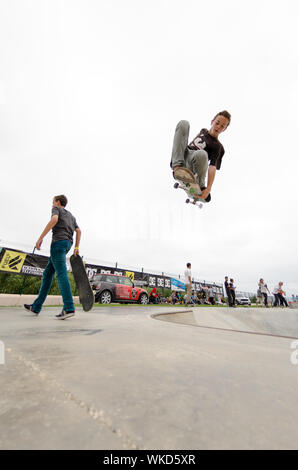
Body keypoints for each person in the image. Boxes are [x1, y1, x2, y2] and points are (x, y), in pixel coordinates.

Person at [24, 195, 81, 320]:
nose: (52, 204)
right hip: (67, 245)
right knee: (47, 274)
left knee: (61, 273)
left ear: (58, 202)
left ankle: (69, 307)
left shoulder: (56, 209)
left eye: (53, 202)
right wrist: (76, 248)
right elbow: (79, 231)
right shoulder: (71, 216)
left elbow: (54, 220)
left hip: (57, 244)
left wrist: (40, 237)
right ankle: (36, 306)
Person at [170, 111, 231, 202]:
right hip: (184, 157)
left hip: (196, 165)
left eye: (222, 126)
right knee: (184, 123)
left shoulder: (218, 147)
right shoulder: (203, 131)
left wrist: (208, 188)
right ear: (212, 121)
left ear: (224, 129)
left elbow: (212, 167)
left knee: (202, 154)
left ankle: (200, 185)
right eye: (217, 123)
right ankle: (178, 167)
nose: (218, 127)